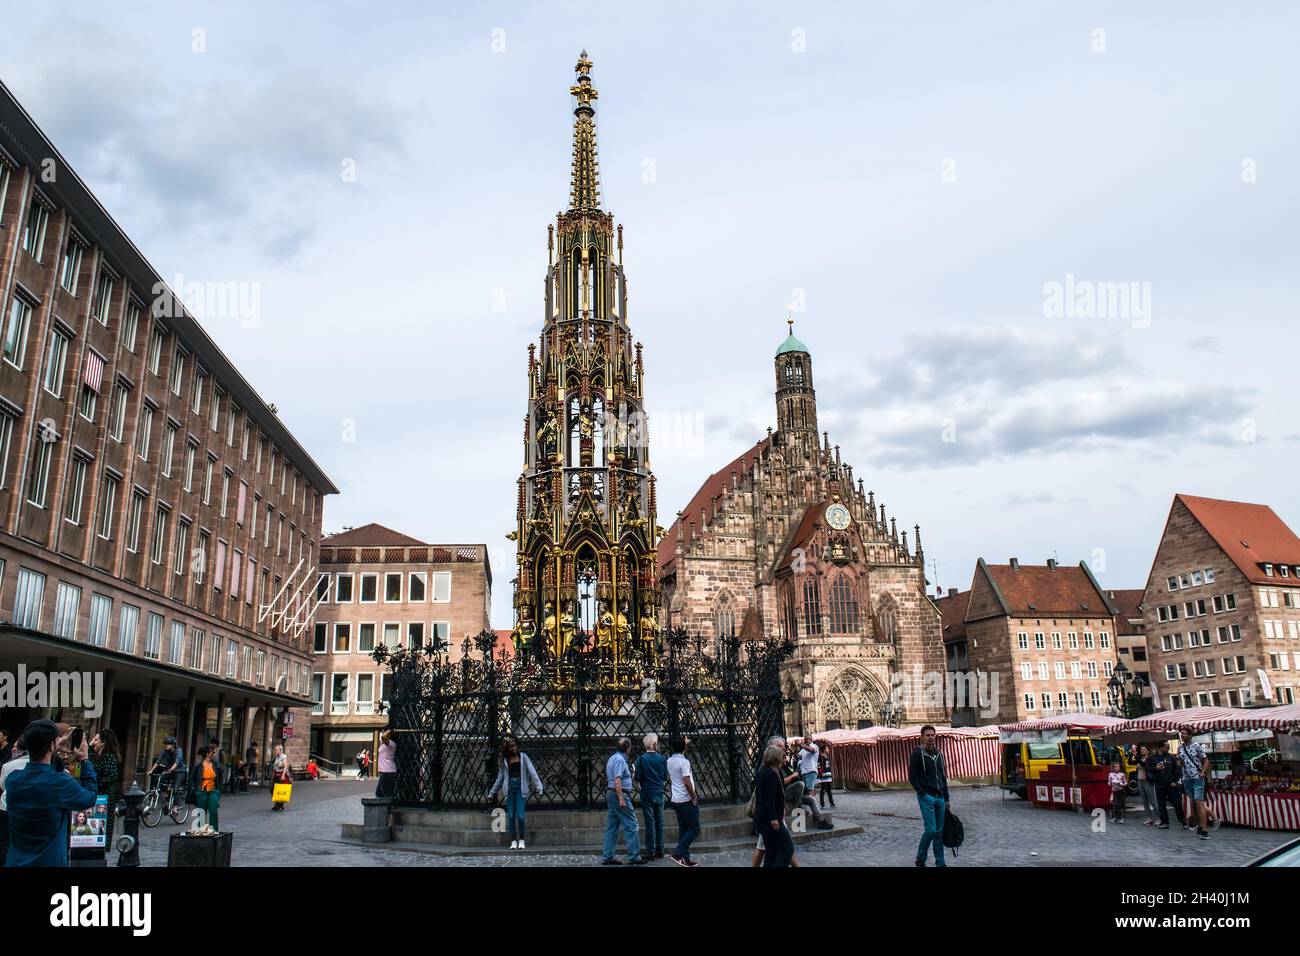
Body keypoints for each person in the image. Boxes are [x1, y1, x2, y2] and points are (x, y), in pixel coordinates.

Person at [4, 720, 97, 866]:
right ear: (52, 745)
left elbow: (41, 772)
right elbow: (89, 798)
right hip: (48, 861)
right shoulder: (59, 783)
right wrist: (85, 760)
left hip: (16, 861)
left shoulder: (13, 780)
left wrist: (53, 750)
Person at [485, 736, 544, 850]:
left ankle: (521, 839)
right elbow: (500, 779)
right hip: (510, 789)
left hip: (520, 789)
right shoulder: (505, 762)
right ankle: (513, 840)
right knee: (511, 816)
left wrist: (539, 787)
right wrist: (492, 793)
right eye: (511, 747)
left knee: (520, 816)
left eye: (515, 746)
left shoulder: (524, 758)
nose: (514, 749)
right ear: (507, 749)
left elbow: (532, 773)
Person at [907, 724, 949, 867]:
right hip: (927, 797)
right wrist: (923, 794)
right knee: (931, 830)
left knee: (939, 832)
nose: (930, 737)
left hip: (940, 798)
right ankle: (920, 858)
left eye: (932, 735)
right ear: (922, 737)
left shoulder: (939, 753)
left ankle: (940, 863)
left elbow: (943, 777)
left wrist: (947, 798)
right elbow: (912, 778)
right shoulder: (917, 754)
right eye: (928, 735)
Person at [601, 737, 644, 865]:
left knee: (612, 826)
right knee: (632, 824)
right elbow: (617, 780)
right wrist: (621, 799)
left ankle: (608, 856)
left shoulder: (613, 757)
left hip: (611, 793)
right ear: (628, 747)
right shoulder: (620, 760)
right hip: (619, 794)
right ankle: (634, 856)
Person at [755, 744, 793, 867]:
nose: (784, 759)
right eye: (782, 756)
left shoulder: (766, 771)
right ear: (776, 757)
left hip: (766, 819)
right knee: (787, 848)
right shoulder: (770, 774)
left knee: (771, 851)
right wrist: (773, 818)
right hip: (770, 820)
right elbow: (768, 798)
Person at [633, 733, 668, 860]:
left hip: (647, 793)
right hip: (659, 792)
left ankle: (651, 852)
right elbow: (665, 776)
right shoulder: (662, 758)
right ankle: (661, 850)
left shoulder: (641, 759)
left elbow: (637, 776)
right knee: (660, 822)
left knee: (650, 823)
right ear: (654, 744)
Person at [666, 736, 699, 867]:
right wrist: (693, 796)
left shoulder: (669, 760)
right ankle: (679, 852)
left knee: (684, 829)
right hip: (686, 799)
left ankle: (684, 858)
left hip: (676, 798)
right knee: (695, 828)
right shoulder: (684, 762)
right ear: (684, 747)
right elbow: (686, 782)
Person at [89, 729, 122, 846]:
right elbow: (87, 757)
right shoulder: (96, 756)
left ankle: (102, 848)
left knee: (102, 826)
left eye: (96, 740)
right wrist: (91, 743)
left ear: (103, 743)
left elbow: (111, 778)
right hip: (95, 795)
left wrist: (94, 785)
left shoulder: (109, 758)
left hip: (105, 797)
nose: (94, 742)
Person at [0, 736, 30, 863]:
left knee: (6, 842)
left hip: (7, 807)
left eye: (15, 746)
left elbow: (2, 785)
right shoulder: (53, 767)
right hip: (30, 810)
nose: (13, 749)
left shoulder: (8, 765)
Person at [1178, 728, 1211, 840]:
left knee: (1199, 802)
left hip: (1197, 777)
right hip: (1187, 779)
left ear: (1190, 735)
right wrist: (1179, 763)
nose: (1182, 735)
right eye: (1181, 734)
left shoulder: (1197, 746)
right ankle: (1200, 826)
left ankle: (1205, 829)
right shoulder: (1180, 748)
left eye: (1184, 734)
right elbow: (1181, 763)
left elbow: (1206, 761)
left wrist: (1202, 773)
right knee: (1193, 803)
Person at [1148, 741, 1184, 829]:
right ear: (1160, 747)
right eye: (1166, 747)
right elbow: (1148, 769)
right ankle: (1165, 822)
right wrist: (1156, 768)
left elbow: (1177, 770)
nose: (1168, 749)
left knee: (1177, 803)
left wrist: (1175, 781)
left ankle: (1183, 821)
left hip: (1170, 784)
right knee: (1161, 804)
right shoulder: (1152, 758)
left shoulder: (1171, 757)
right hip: (1159, 784)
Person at [190, 744, 223, 831]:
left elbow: (220, 778)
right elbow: (192, 779)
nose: (215, 754)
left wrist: (218, 790)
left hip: (213, 791)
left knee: (213, 811)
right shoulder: (198, 766)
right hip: (201, 791)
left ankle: (214, 830)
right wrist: (195, 790)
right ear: (208, 753)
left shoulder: (217, 765)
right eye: (213, 752)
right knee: (201, 812)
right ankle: (201, 831)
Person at [1135, 744, 1156, 826]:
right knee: (1144, 801)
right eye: (1141, 749)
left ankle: (1158, 818)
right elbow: (1130, 761)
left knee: (1152, 800)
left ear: (1147, 751)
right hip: (1140, 780)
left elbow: (1143, 764)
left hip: (1147, 781)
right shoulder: (1140, 759)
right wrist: (1132, 754)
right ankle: (1149, 818)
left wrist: (1136, 756)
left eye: (1144, 749)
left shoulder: (1149, 759)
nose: (1142, 751)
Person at [376, 731, 397, 797]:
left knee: (387, 793)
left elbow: (383, 737)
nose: (383, 733)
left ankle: (391, 806)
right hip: (384, 771)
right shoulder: (385, 744)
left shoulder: (391, 743)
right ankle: (387, 806)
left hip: (388, 771)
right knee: (378, 793)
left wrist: (389, 730)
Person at [271, 745, 290, 811]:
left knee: (280, 790)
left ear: (280, 750)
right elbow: (274, 768)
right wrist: (272, 777)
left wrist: (283, 775)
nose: (275, 750)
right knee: (272, 789)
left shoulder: (283, 757)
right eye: (275, 749)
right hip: (276, 774)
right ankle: (278, 803)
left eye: (277, 749)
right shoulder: (276, 757)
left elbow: (285, 766)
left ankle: (279, 804)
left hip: (281, 775)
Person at [1107, 759, 1127, 823]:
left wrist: (1121, 784)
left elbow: (1125, 783)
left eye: (1118, 766)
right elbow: (1109, 783)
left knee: (1122, 804)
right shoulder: (1110, 774)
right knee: (1115, 804)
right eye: (1116, 767)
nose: (1117, 768)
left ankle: (1122, 818)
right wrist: (1111, 782)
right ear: (1113, 768)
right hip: (1115, 791)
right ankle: (1115, 817)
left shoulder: (1122, 774)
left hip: (1121, 791)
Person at [818, 742, 836, 809]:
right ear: (824, 750)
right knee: (823, 790)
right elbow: (819, 765)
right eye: (827, 748)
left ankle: (832, 803)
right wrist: (820, 774)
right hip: (823, 776)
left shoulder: (827, 757)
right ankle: (822, 805)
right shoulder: (821, 757)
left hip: (828, 775)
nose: (828, 750)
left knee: (829, 790)